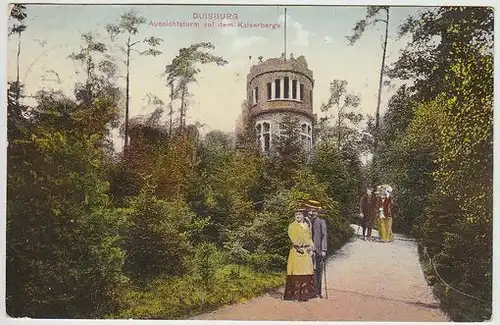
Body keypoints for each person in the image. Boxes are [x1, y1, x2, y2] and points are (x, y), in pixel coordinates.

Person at [283, 207, 317, 301]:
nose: (297, 216)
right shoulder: (292, 226)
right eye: (296, 215)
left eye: (299, 214)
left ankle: (304, 295)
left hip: (306, 252)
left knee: (306, 273)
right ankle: (295, 295)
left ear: (303, 215)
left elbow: (309, 238)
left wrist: (311, 247)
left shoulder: (307, 225)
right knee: (297, 273)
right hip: (297, 251)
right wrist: (303, 244)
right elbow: (294, 239)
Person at [305, 200, 328, 298]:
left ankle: (318, 291)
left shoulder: (321, 222)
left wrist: (324, 250)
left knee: (318, 270)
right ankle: (309, 291)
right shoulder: (306, 221)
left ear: (317, 212)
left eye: (314, 211)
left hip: (318, 250)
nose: (311, 213)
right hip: (308, 250)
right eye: (310, 211)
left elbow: (324, 236)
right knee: (309, 270)